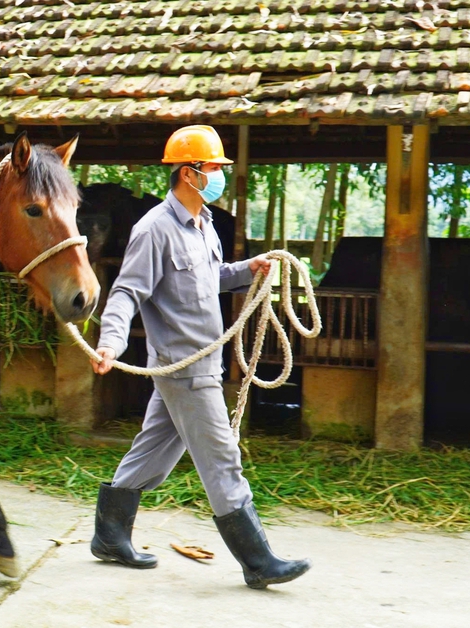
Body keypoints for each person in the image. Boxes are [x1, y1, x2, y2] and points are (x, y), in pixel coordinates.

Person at [89, 125, 311, 589]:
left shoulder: (204, 223)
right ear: (189, 174)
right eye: (213, 168)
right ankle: (258, 560)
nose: (219, 175)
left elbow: (208, 279)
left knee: (154, 454)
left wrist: (245, 271)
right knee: (222, 459)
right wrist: (111, 340)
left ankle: (109, 535)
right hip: (185, 367)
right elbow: (128, 290)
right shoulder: (154, 230)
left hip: (202, 363)